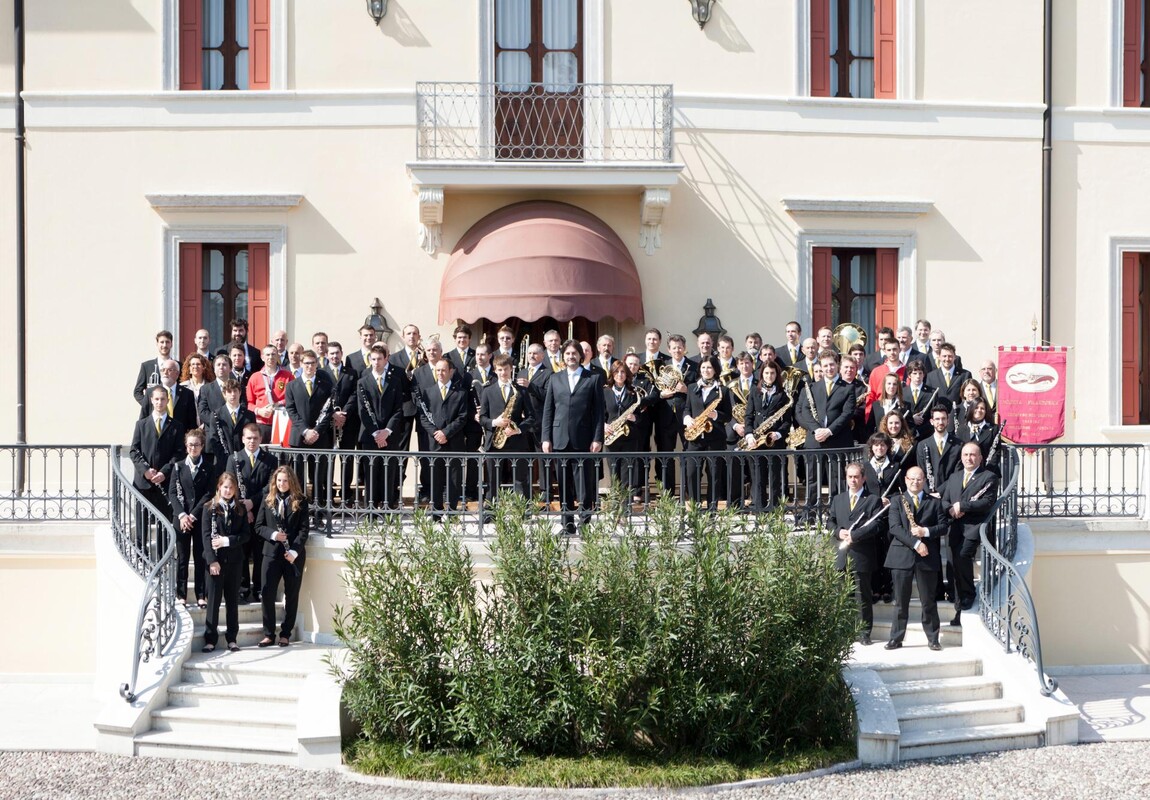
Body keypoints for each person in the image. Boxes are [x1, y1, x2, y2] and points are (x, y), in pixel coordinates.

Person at [541, 339, 605, 535]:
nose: (571, 357)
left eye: (574, 353)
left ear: (581, 355)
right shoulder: (555, 378)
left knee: (584, 484)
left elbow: (598, 413)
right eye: (567, 354)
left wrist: (597, 438)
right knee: (564, 484)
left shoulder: (592, 378)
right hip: (560, 439)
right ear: (563, 356)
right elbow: (548, 410)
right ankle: (567, 524)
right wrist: (546, 437)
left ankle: (585, 523)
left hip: (584, 438)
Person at [884, 466, 945, 651]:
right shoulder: (896, 501)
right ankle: (896, 638)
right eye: (911, 479)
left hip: (927, 558)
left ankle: (933, 638)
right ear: (906, 479)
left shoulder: (934, 503)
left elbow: (944, 527)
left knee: (928, 601)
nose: (915, 482)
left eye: (919, 479)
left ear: (924, 480)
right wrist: (917, 543)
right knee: (901, 601)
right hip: (902, 555)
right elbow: (894, 527)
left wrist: (925, 532)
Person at [794, 349, 855, 522]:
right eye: (825, 365)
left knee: (838, 480)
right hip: (815, 441)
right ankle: (810, 514)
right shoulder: (812, 387)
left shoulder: (848, 388)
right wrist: (816, 430)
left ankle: (835, 516)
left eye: (832, 365)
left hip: (838, 441)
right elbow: (805, 411)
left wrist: (829, 431)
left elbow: (847, 413)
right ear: (820, 367)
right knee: (813, 479)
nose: (829, 368)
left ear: (837, 366)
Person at [942, 443, 999, 625]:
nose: (969, 458)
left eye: (973, 455)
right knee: (953, 565)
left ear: (980, 458)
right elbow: (943, 498)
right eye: (966, 455)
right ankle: (959, 608)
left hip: (973, 527)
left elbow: (987, 502)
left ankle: (969, 593)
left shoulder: (988, 477)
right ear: (961, 457)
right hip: (954, 526)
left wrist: (963, 506)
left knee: (962, 556)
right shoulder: (954, 477)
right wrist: (951, 508)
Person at [830, 463, 885, 645]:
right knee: (842, 596)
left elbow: (876, 525)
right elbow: (830, 522)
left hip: (862, 555)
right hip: (841, 556)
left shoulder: (872, 500)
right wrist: (839, 532)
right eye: (850, 477)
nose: (853, 480)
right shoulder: (838, 499)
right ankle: (843, 632)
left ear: (863, 479)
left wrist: (855, 535)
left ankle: (863, 634)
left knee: (863, 596)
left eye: (856, 477)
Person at [256, 466, 309, 648]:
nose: (282, 484)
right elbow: (259, 526)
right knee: (267, 592)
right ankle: (269, 633)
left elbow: (304, 530)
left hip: (292, 555)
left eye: (285, 480)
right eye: (279, 480)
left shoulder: (301, 501)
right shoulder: (268, 500)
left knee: (292, 594)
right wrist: (273, 535)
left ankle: (285, 634)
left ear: (291, 481)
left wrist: (294, 551)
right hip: (271, 553)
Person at [200, 471, 250, 653]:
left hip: (235, 562)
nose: (228, 491)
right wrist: (212, 561)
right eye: (225, 487)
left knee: (232, 602)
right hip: (215, 562)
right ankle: (210, 639)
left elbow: (246, 535)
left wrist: (226, 541)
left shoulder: (240, 509)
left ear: (235, 490)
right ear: (219, 487)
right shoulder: (208, 508)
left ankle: (232, 638)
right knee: (213, 602)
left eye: (231, 488)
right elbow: (205, 537)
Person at [284, 349, 335, 518]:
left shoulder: (326, 385)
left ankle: (319, 511)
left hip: (320, 438)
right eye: (306, 363)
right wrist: (305, 431)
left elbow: (328, 412)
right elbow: (291, 410)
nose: (309, 366)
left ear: (317, 365)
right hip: (299, 438)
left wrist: (316, 432)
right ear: (301, 364)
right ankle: (300, 511)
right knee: (297, 478)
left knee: (318, 477)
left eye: (312, 363)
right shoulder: (292, 385)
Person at [231, 423, 278, 602]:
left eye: (255, 438)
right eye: (248, 438)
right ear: (243, 439)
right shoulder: (234, 459)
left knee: (260, 552)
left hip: (262, 513)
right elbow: (230, 484)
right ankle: (243, 587)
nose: (252, 441)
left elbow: (270, 486)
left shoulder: (270, 460)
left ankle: (258, 587)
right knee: (242, 551)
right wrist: (244, 507)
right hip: (240, 512)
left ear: (261, 439)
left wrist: (252, 502)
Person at [419, 357, 470, 522]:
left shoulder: (461, 393)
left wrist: (446, 433)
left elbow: (462, 418)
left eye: (443, 370)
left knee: (454, 479)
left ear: (451, 372)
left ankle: (453, 512)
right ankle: (436, 512)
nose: (440, 373)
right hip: (434, 443)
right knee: (435, 477)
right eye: (438, 370)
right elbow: (423, 417)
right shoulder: (427, 392)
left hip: (454, 442)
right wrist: (436, 433)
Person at [482, 354, 536, 505]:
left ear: (511, 369)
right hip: (494, 442)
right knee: (493, 481)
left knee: (521, 480)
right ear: (495, 370)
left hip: (517, 441)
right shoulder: (487, 391)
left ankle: (523, 511)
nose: (503, 373)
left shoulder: (521, 391)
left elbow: (532, 417)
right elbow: (482, 418)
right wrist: (495, 422)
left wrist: (517, 429)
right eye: (499, 370)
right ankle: (490, 512)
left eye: (506, 369)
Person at [168, 429, 213, 608]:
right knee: (182, 557)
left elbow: (209, 494)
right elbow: (172, 493)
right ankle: (181, 595)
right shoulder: (178, 466)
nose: (193, 448)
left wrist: (193, 515)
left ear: (202, 446)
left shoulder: (209, 467)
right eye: (190, 445)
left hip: (200, 518)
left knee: (200, 556)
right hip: (181, 518)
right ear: (186, 447)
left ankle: (201, 594)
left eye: (197, 445)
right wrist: (182, 515)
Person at [129, 384, 186, 523]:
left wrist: (164, 472)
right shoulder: (141, 424)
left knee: (164, 523)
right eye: (157, 399)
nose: (160, 402)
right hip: (143, 482)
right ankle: (139, 545)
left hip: (165, 482)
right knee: (141, 523)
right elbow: (134, 450)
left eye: (162, 399)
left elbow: (179, 453)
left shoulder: (177, 426)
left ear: (167, 400)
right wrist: (145, 470)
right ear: (151, 400)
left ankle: (164, 546)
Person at [357, 343, 405, 509]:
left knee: (389, 475)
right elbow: (362, 411)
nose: (376, 362)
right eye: (373, 359)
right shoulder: (362, 382)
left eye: (379, 359)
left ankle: (387, 510)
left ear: (386, 360)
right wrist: (376, 434)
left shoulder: (395, 381)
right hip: (370, 437)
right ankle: (370, 511)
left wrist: (387, 431)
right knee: (371, 475)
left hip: (390, 436)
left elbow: (398, 409)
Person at [683, 356, 731, 510]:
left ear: (715, 370)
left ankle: (712, 509)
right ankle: (695, 506)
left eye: (709, 367)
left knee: (714, 474)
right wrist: (687, 418)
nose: (706, 370)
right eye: (703, 367)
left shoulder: (723, 390)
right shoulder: (692, 388)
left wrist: (716, 415)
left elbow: (728, 415)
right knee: (692, 473)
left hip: (715, 438)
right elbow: (686, 408)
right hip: (695, 437)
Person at [743, 360, 791, 512]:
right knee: (757, 478)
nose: (769, 376)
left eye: (772, 373)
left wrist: (777, 434)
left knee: (775, 477)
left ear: (777, 375)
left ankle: (775, 509)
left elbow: (787, 421)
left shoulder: (783, 395)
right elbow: (748, 416)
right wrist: (749, 434)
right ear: (761, 375)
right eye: (766, 373)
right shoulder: (754, 392)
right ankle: (759, 509)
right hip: (756, 441)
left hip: (775, 442)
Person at [651, 334, 696, 496]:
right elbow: (654, 391)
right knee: (665, 454)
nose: (677, 350)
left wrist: (687, 389)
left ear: (684, 348)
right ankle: (668, 493)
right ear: (669, 350)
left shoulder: (694, 366)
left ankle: (689, 491)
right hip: (665, 415)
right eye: (674, 347)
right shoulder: (662, 367)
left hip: (686, 415)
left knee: (689, 452)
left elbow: (697, 391)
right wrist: (662, 394)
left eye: (680, 347)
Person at [862, 432, 899, 604]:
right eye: (876, 445)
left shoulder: (896, 467)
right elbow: (862, 494)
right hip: (872, 516)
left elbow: (901, 494)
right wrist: (876, 501)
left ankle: (888, 588)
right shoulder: (865, 468)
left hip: (889, 515)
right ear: (872, 447)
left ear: (887, 447)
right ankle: (875, 588)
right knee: (874, 552)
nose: (880, 448)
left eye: (883, 445)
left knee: (888, 551)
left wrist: (888, 500)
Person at [603, 361, 645, 502]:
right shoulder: (605, 392)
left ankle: (625, 508)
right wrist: (604, 425)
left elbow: (641, 416)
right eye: (617, 372)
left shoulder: (634, 392)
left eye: (622, 372)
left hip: (629, 437)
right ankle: (615, 507)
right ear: (612, 375)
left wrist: (634, 418)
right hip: (611, 436)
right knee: (614, 474)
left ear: (627, 375)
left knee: (627, 474)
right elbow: (599, 414)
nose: (620, 375)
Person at [206, 379, 256, 478]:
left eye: (235, 391)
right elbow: (214, 440)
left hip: (244, 461)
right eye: (229, 392)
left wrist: (244, 457)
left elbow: (252, 438)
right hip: (222, 461)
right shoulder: (216, 415)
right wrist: (227, 460)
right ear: (224, 394)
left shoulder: (249, 415)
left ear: (240, 393)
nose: (233, 394)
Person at [246, 344, 294, 443]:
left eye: (273, 354)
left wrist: (278, 404)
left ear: (278, 356)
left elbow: (293, 398)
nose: (270, 357)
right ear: (262, 357)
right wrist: (259, 411)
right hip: (261, 424)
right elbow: (248, 403)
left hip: (282, 422)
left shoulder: (287, 376)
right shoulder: (255, 377)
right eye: (267, 355)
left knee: (281, 456)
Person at [140, 359, 198, 433]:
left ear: (177, 373)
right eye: (163, 370)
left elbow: (191, 423)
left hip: (178, 439)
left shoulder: (187, 394)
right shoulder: (150, 392)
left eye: (169, 370)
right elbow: (143, 418)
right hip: (155, 438)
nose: (165, 373)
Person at [916, 405, 963, 496]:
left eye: (943, 419)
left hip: (950, 494)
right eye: (937, 419)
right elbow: (921, 472)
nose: (940, 422)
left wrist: (940, 492)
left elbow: (957, 474)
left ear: (948, 421)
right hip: (929, 496)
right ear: (931, 421)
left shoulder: (959, 445)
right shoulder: (922, 445)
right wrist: (929, 493)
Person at [925, 342, 971, 409]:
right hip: (939, 416)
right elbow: (928, 399)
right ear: (939, 357)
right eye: (944, 356)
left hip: (958, 415)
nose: (947, 359)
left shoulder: (965, 375)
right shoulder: (931, 376)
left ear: (954, 357)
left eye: (950, 356)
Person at [133, 330, 174, 404]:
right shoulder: (146, 366)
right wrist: (148, 405)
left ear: (171, 344)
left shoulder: (179, 366)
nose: (164, 345)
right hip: (153, 414)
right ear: (157, 344)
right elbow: (137, 392)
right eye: (162, 342)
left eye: (167, 342)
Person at [179, 353, 214, 425]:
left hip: (207, 427)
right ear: (189, 368)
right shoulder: (182, 387)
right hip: (188, 427)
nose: (195, 366)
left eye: (198, 364)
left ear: (204, 367)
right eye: (193, 364)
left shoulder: (211, 387)